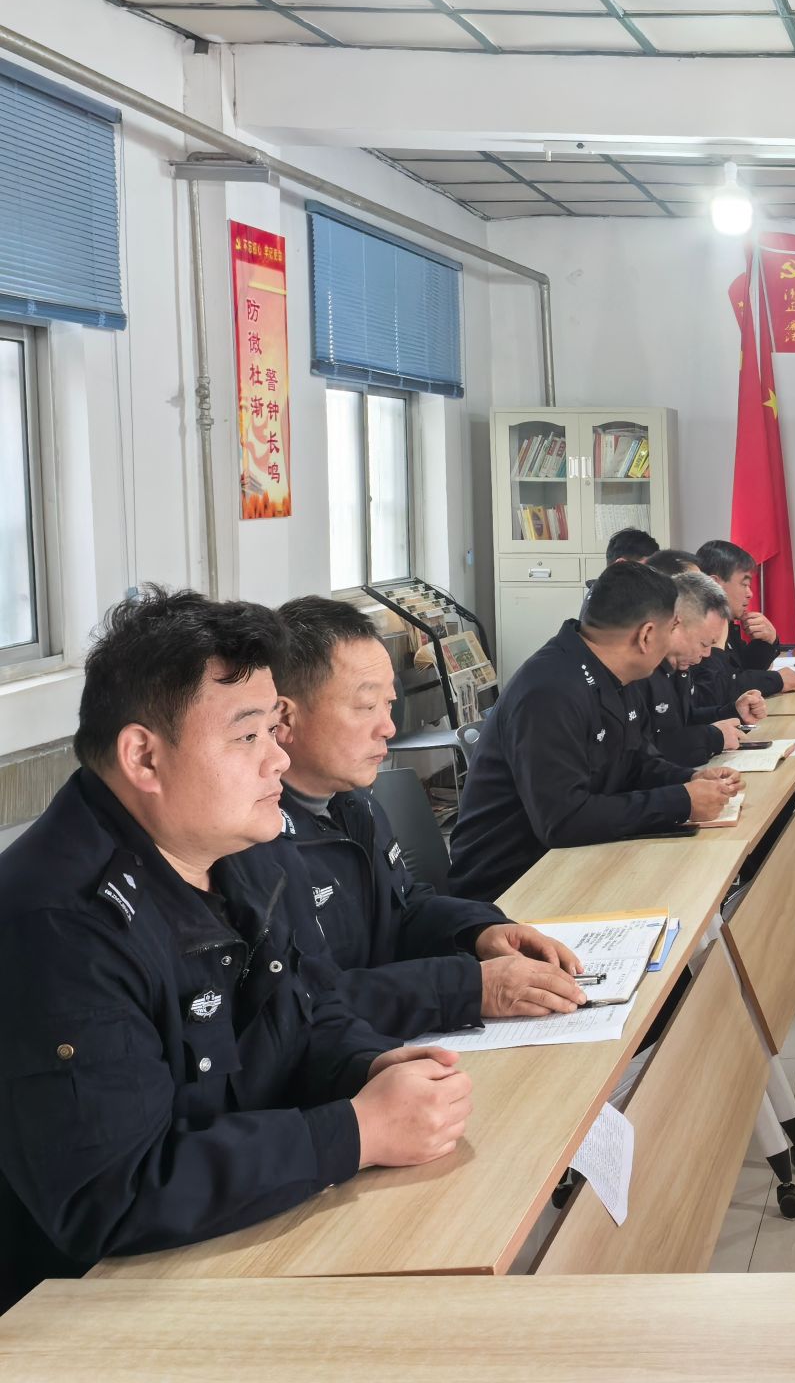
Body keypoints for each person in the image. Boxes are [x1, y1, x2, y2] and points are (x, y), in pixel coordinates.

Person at [0, 590, 473, 1309]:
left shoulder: (244, 848)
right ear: (144, 757)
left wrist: (368, 1064)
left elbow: (308, 1010)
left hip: (241, 1238)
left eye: (274, 730)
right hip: (96, 1309)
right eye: (248, 736)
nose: (278, 759)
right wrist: (356, 1131)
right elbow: (116, 1193)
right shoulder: (56, 926)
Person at [271, 597, 588, 1039]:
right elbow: (302, 1003)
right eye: (366, 707)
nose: (388, 727)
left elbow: (402, 908)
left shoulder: (353, 802)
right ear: (285, 718)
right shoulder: (253, 836)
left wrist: (480, 930)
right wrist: (467, 987)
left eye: (388, 705)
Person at [448, 561, 742, 901]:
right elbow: (563, 820)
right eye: (673, 626)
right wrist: (681, 801)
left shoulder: (617, 674)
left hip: (578, 858)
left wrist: (690, 780)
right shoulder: (549, 690)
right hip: (512, 886)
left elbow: (635, 763)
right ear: (646, 635)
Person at [646, 569, 763, 770]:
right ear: (675, 625)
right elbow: (643, 754)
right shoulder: (640, 671)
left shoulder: (678, 664)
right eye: (704, 643)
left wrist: (732, 711)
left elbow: (684, 721)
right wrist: (712, 738)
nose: (707, 654)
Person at [697, 540, 795, 698]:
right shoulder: (695, 628)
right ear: (714, 584)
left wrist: (767, 642)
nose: (750, 594)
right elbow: (717, 688)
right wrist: (776, 681)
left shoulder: (727, 623)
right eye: (744, 584)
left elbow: (743, 669)